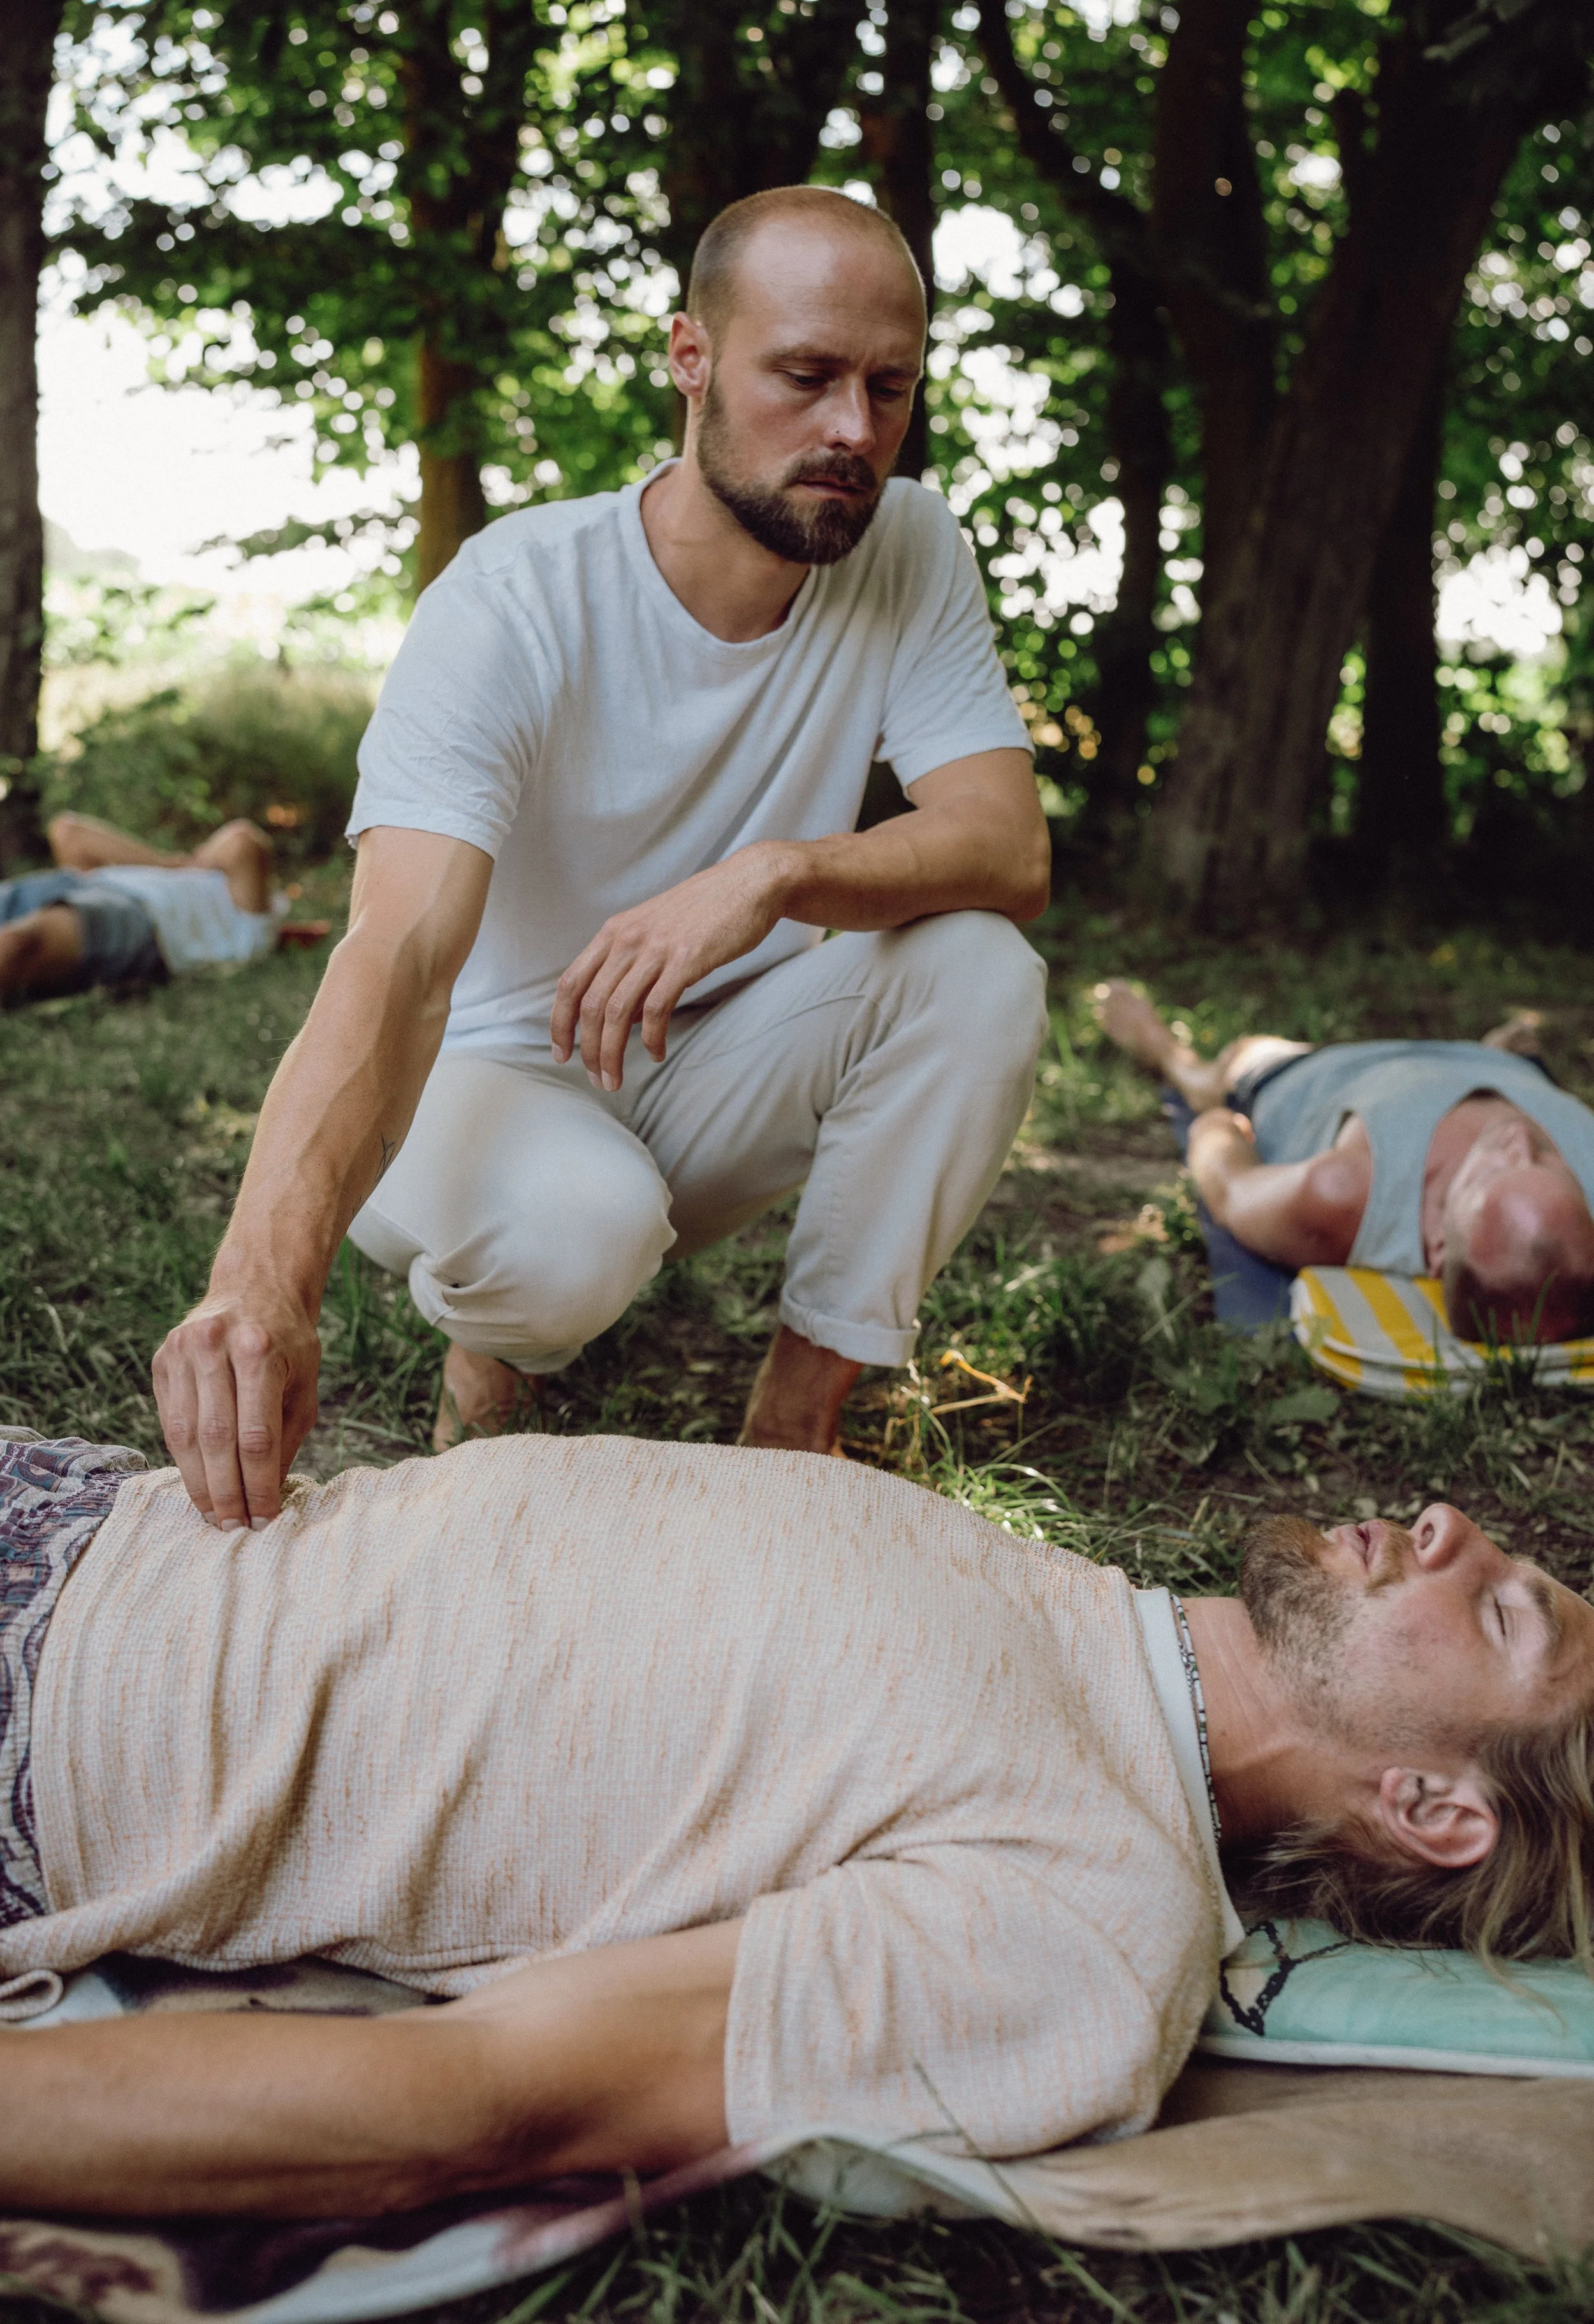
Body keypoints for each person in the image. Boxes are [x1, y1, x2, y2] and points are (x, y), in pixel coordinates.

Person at [0, 1426, 1588, 2220]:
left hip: (55, 1705)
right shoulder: (1066, 1601)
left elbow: (480, 2094)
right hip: (105, 1504)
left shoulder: (1093, 1913)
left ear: (1436, 1805)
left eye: (1503, 1608)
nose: (1452, 1528)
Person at [150, 184, 1053, 1528]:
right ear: (689, 357)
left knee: (981, 969)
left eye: (888, 385)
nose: (852, 432)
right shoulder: (512, 601)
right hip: (487, 1075)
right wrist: (260, 1282)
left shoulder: (908, 549)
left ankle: (791, 1438)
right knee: (580, 1233)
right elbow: (395, 958)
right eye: (803, 377)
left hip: (715, 1057)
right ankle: (490, 1357)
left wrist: (770, 876)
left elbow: (1002, 848)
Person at [1095, 985, 1594, 1344]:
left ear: (1439, 1245)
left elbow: (1226, 1181)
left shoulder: (1344, 1195)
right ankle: (1491, 1052)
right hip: (1506, 1069)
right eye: (1548, 1161)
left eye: (1500, 1169)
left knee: (1230, 1064)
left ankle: (1162, 1046)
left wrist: (1220, 1127)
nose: (1519, 1138)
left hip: (1321, 1070)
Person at [0, 812, 326, 1001]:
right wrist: (166, 864)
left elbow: (243, 841)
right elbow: (70, 833)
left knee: (17, 945)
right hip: (88, 883)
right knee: (66, 828)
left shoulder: (253, 929)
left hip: (142, 919)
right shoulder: (236, 902)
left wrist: (187, 864)